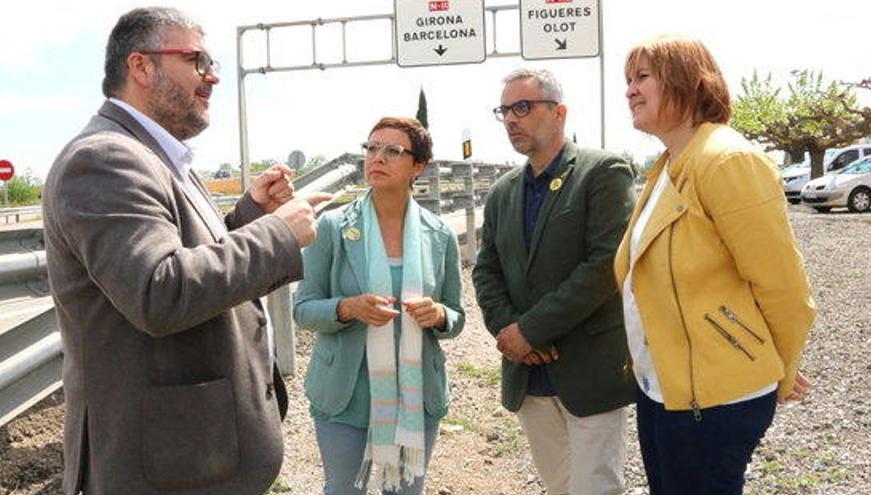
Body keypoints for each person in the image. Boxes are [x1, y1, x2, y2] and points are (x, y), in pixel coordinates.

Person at [42, 7, 330, 495]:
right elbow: (159, 290)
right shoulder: (105, 159)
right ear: (141, 67)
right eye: (197, 60)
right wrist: (279, 234)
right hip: (160, 471)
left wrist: (251, 215)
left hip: (186, 461)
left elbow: (188, 255)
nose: (213, 76)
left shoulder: (155, 154)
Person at [615, 35, 815, 495]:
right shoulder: (667, 166)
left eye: (642, 77)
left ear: (686, 81)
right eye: (628, 80)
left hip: (714, 397)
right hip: (662, 387)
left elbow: (784, 287)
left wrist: (776, 368)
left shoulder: (727, 161)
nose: (629, 90)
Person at [472, 69, 636, 495]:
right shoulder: (503, 191)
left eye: (522, 107)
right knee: (558, 486)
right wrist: (510, 332)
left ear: (559, 112)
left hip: (588, 370)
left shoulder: (602, 171)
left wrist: (531, 329)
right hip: (529, 373)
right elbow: (486, 269)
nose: (511, 119)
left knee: (596, 488)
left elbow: (606, 265)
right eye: (504, 110)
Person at [294, 117, 465, 495]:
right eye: (371, 148)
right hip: (344, 395)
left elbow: (457, 315)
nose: (377, 158)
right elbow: (303, 308)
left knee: (406, 491)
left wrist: (438, 315)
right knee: (342, 490)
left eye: (392, 151)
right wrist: (347, 308)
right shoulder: (333, 227)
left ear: (417, 166)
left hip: (415, 396)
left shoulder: (439, 236)